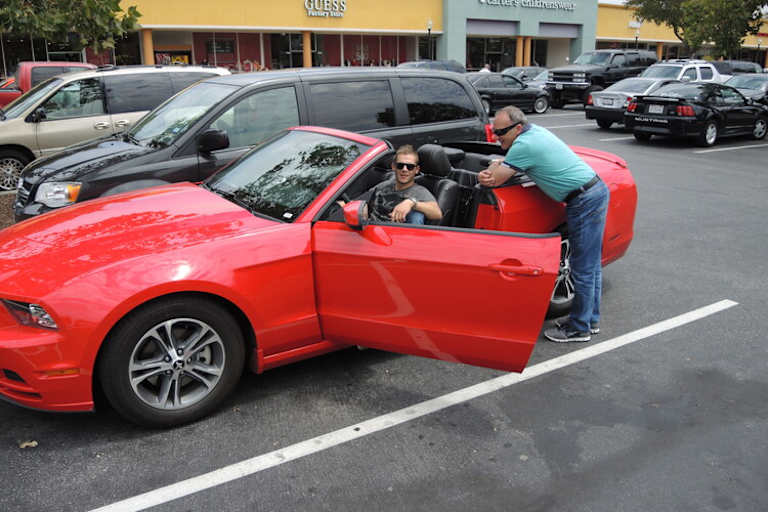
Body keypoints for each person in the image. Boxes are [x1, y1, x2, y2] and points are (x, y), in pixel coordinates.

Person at [478, 106, 609, 343]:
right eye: (494, 131)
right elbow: (511, 163)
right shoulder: (533, 132)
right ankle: (590, 320)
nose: (497, 137)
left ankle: (579, 329)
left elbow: (492, 180)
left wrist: (490, 169)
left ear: (518, 128)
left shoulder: (524, 145)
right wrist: (502, 162)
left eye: (501, 132)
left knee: (582, 268)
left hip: (584, 200)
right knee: (591, 266)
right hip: (592, 192)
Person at [341, 145, 442, 224]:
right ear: (393, 166)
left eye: (410, 167)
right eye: (400, 165)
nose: (404, 169)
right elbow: (360, 201)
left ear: (416, 170)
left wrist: (412, 203)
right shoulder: (383, 185)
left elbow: (437, 213)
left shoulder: (420, 192)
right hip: (369, 230)